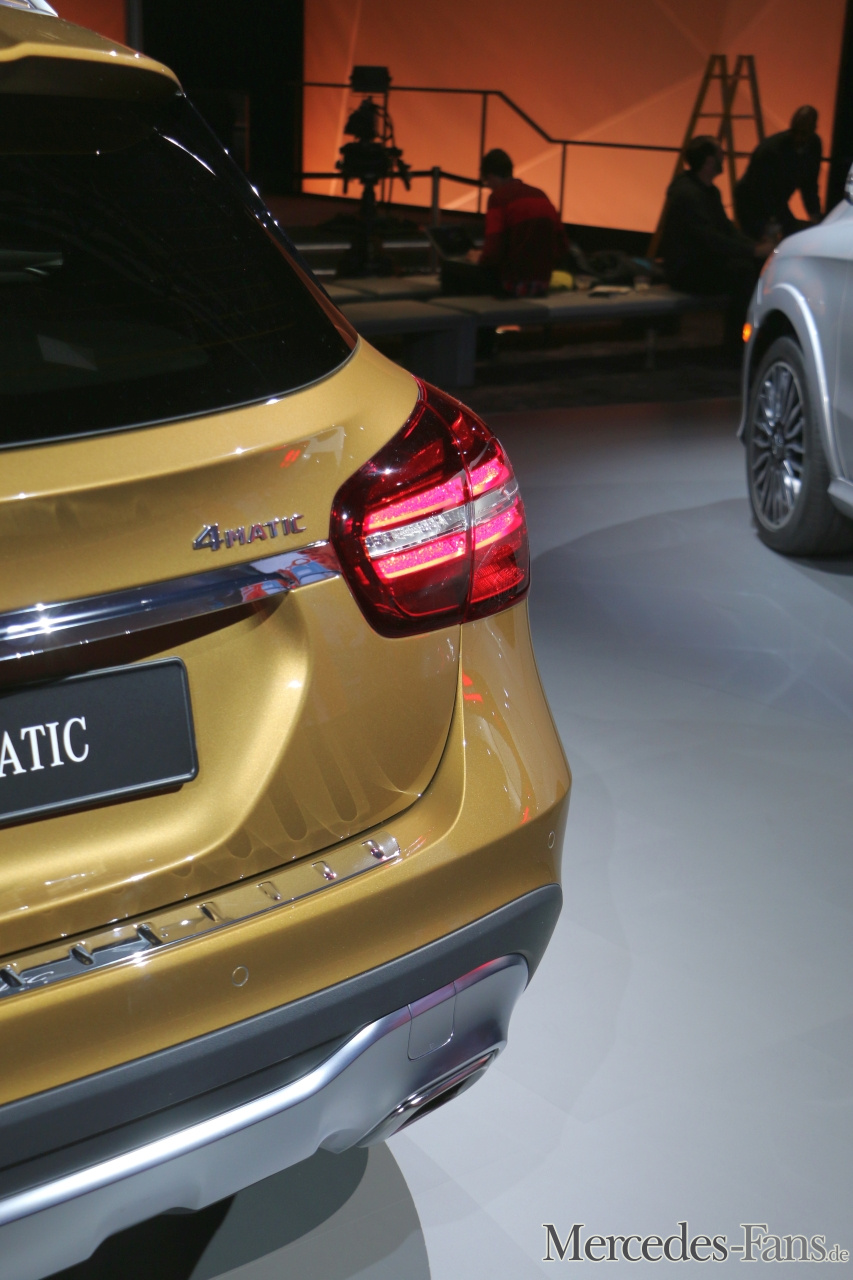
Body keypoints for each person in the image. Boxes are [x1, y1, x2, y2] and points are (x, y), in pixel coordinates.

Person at [659, 135, 772, 355]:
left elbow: (726, 229)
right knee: (743, 273)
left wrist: (755, 247)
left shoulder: (708, 191)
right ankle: (735, 346)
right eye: (720, 154)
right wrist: (753, 250)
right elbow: (710, 238)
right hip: (686, 270)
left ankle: (751, 339)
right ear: (709, 161)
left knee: (754, 267)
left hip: (703, 262)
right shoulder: (688, 195)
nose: (724, 157)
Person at [440, 148, 567, 296]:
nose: (489, 187)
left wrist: (479, 258)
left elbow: (493, 252)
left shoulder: (498, 198)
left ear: (491, 176)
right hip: (542, 283)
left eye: (487, 182)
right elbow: (562, 244)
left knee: (452, 270)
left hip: (511, 284)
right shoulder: (540, 194)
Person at [734, 106, 822, 239]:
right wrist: (776, 221)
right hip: (751, 203)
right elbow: (762, 190)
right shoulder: (771, 150)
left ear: (813, 130)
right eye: (795, 132)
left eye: (804, 133)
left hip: (773, 201)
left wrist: (815, 214)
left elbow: (809, 185)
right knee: (759, 242)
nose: (799, 138)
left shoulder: (813, 145)